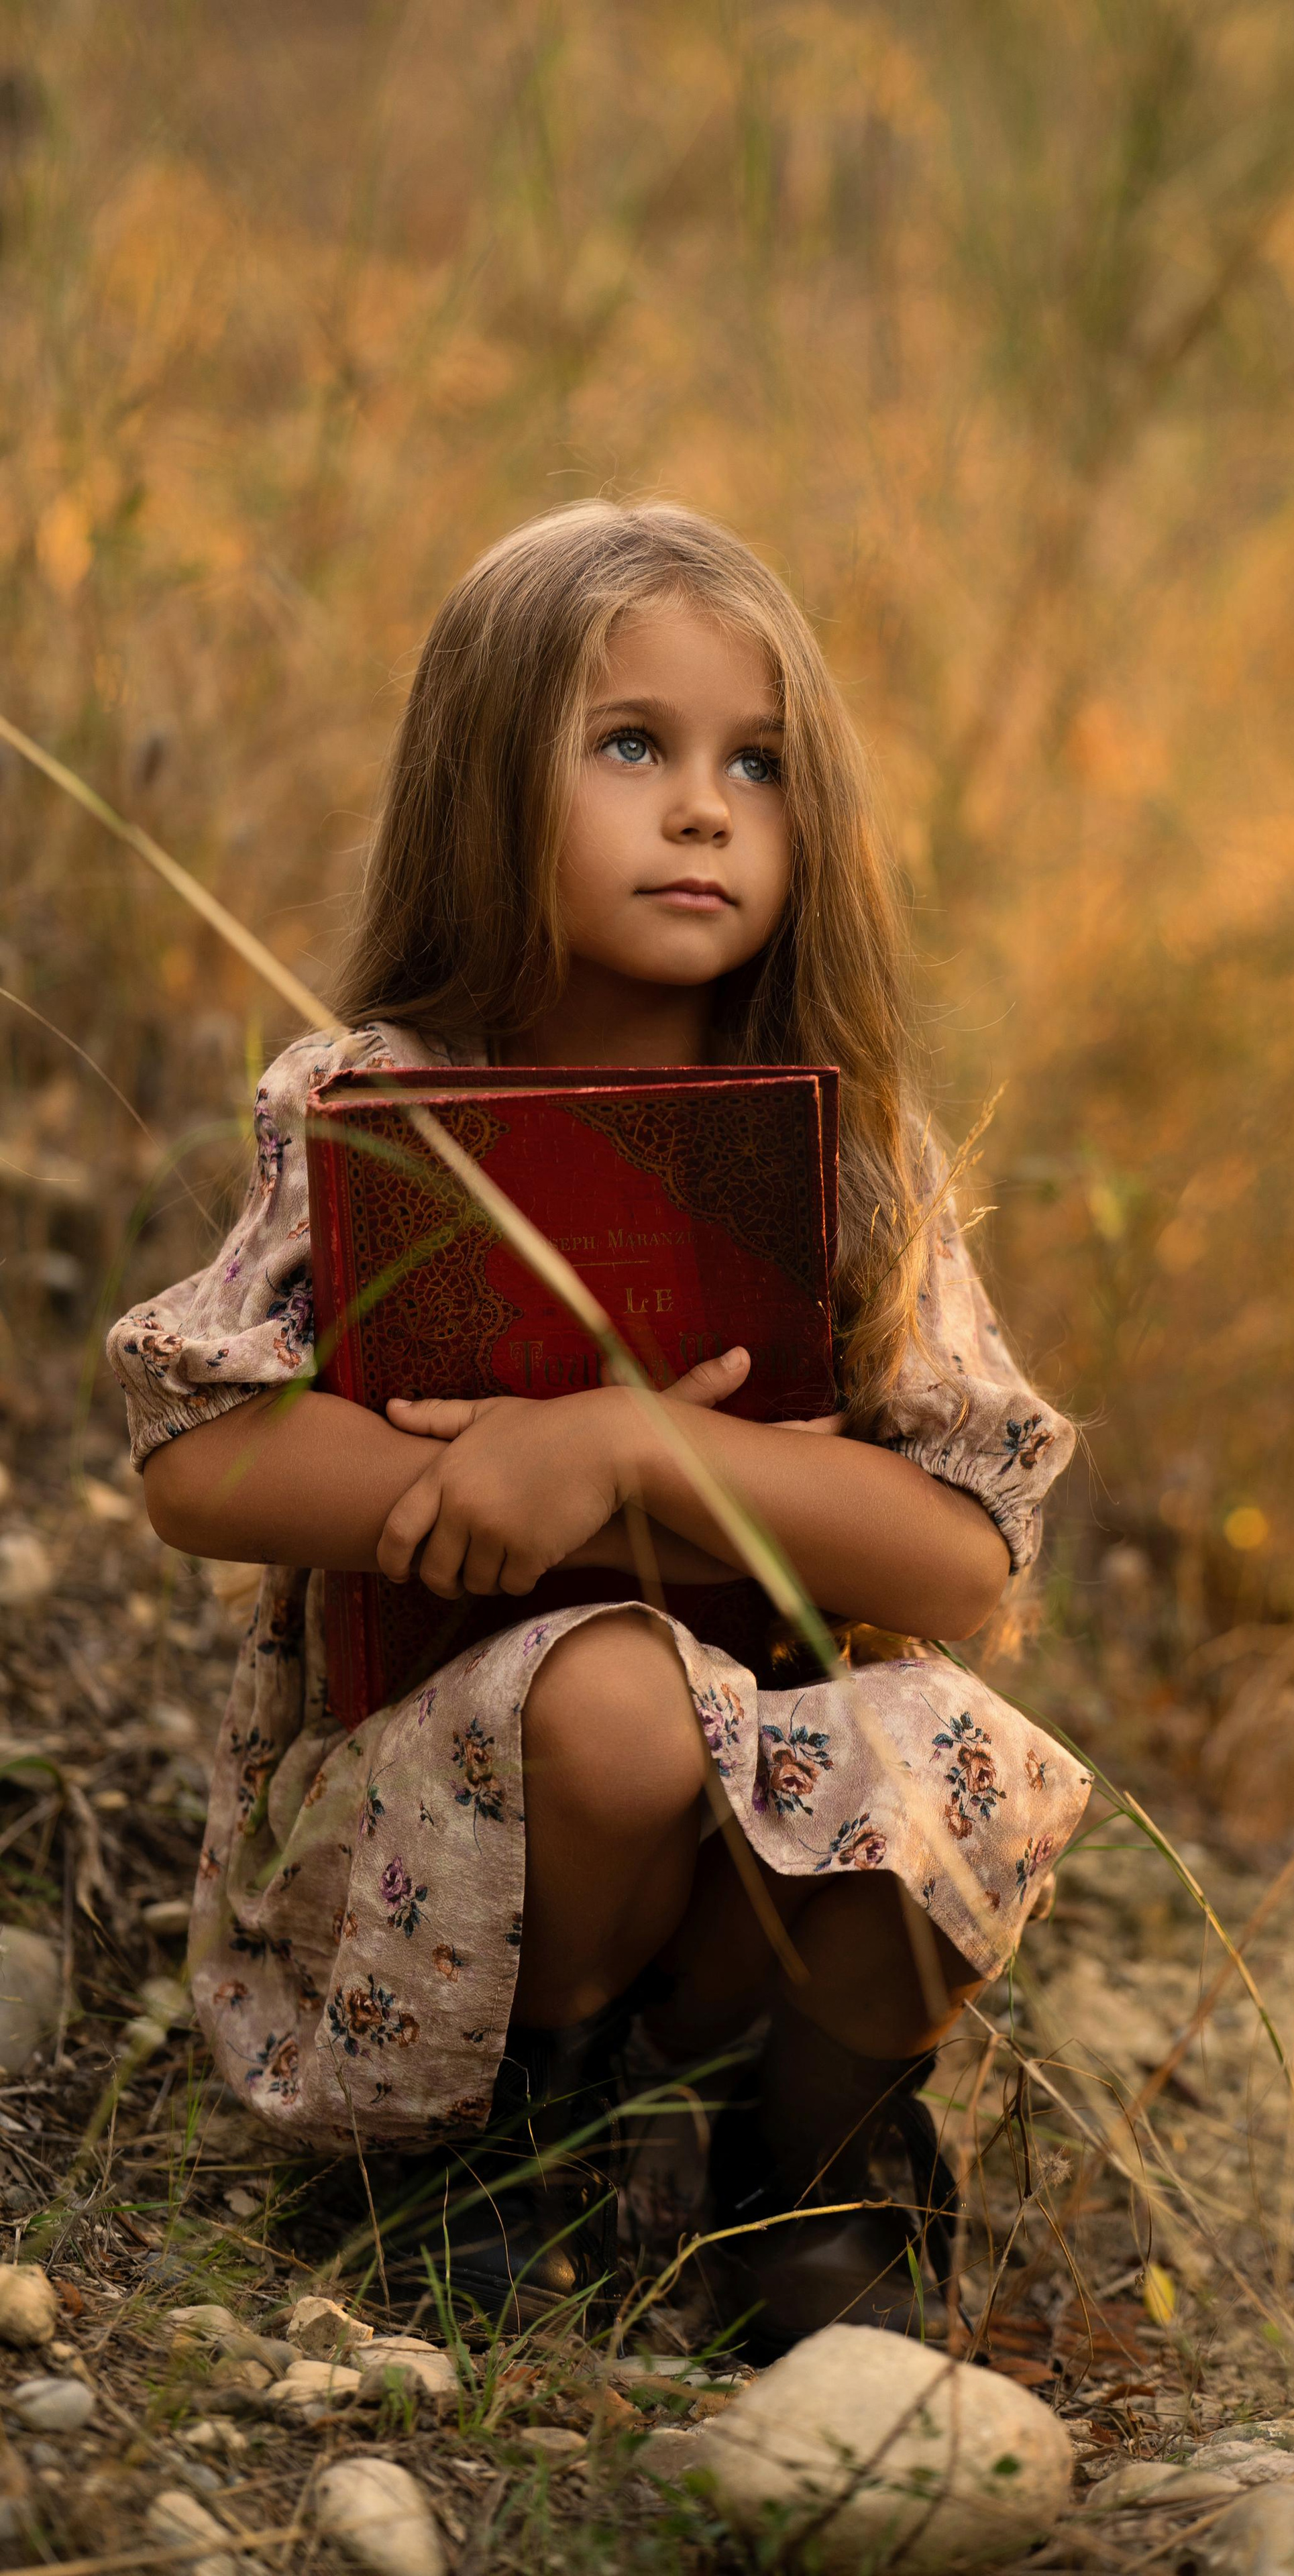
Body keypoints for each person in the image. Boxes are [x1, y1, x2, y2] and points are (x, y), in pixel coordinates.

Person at [107, 500, 1089, 2352]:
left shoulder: (854, 1156)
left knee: (945, 1747)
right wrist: (469, 1489)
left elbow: (964, 1549)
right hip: (425, 1837)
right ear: (484, 780)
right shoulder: (371, 1102)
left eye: (761, 764)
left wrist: (640, 1455)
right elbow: (196, 1449)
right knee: (616, 1695)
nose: (706, 807)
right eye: (633, 744)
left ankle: (803, 2182)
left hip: (733, 1861)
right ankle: (486, 2148)